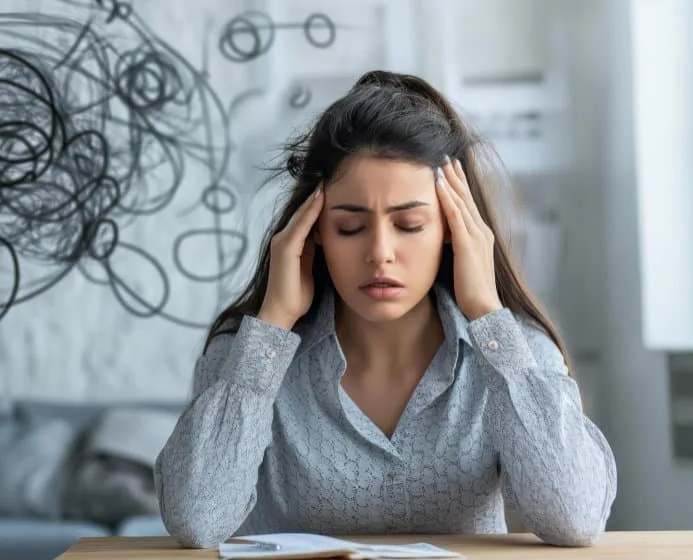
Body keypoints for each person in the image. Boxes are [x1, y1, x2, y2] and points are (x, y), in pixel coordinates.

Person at [153, 70, 617, 549]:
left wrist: (487, 315)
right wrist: (271, 324)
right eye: (350, 228)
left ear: (453, 232)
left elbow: (575, 519)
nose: (380, 252)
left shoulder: (516, 351)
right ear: (313, 232)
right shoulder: (244, 353)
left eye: (410, 225)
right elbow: (196, 521)